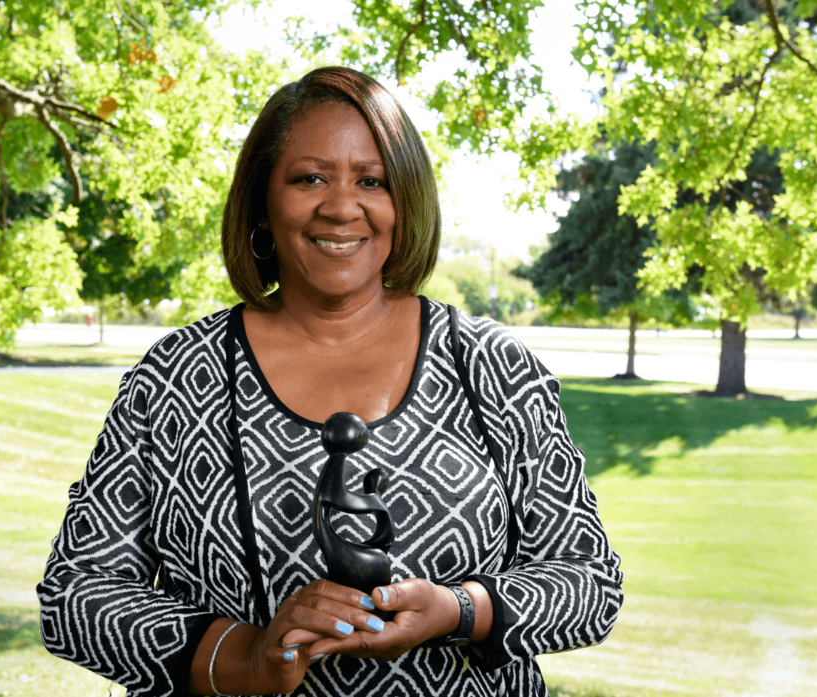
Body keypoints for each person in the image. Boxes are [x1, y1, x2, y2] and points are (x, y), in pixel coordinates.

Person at [37, 66, 623, 697]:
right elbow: (77, 594)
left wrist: (461, 610)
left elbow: (589, 581)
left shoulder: (494, 368)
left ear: (405, 202)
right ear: (263, 197)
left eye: (372, 181)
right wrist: (247, 655)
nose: (342, 207)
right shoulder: (178, 376)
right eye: (310, 177)